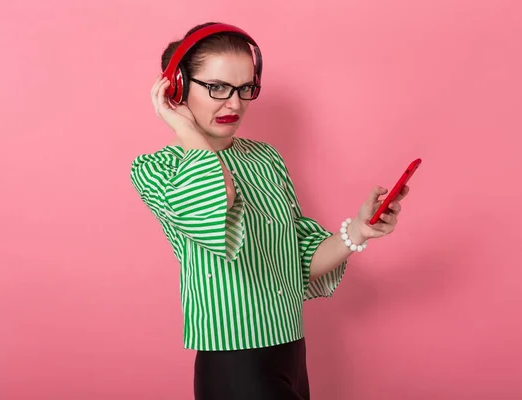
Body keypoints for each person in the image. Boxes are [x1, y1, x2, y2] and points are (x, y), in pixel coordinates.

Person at [130, 21, 410, 400]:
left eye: (246, 88)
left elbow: (296, 260)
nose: (235, 103)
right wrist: (185, 128)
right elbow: (214, 199)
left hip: (292, 351)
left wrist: (358, 230)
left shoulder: (266, 158)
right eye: (217, 88)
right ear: (176, 87)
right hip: (233, 362)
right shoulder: (155, 169)